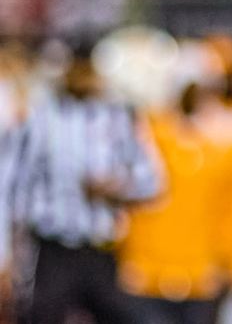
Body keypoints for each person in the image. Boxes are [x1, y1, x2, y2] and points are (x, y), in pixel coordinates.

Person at [8, 41, 163, 324]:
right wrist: (11, 252)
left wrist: (116, 187)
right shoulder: (39, 117)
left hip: (101, 249)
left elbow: (153, 181)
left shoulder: (119, 117)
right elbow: (13, 186)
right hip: (53, 248)